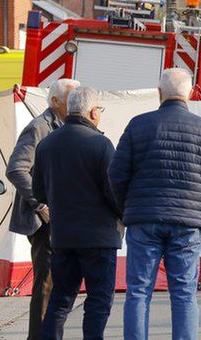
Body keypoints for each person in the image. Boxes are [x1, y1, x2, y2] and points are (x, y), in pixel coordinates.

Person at [109, 68, 201, 340]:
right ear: (189, 93)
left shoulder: (137, 125)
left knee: (139, 292)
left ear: (159, 92)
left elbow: (116, 174)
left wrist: (128, 209)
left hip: (143, 221)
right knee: (184, 293)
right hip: (187, 225)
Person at [32, 87, 121, 339]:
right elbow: (112, 191)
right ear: (93, 112)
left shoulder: (47, 144)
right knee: (99, 301)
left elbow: (38, 192)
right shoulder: (101, 144)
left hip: (62, 236)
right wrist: (123, 214)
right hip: (99, 238)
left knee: (60, 300)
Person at [6, 78, 79, 339]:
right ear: (55, 101)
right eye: (71, 98)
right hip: (45, 222)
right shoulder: (39, 127)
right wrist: (40, 204)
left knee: (57, 283)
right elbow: (16, 169)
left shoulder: (66, 126)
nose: (76, 103)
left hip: (63, 220)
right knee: (46, 285)